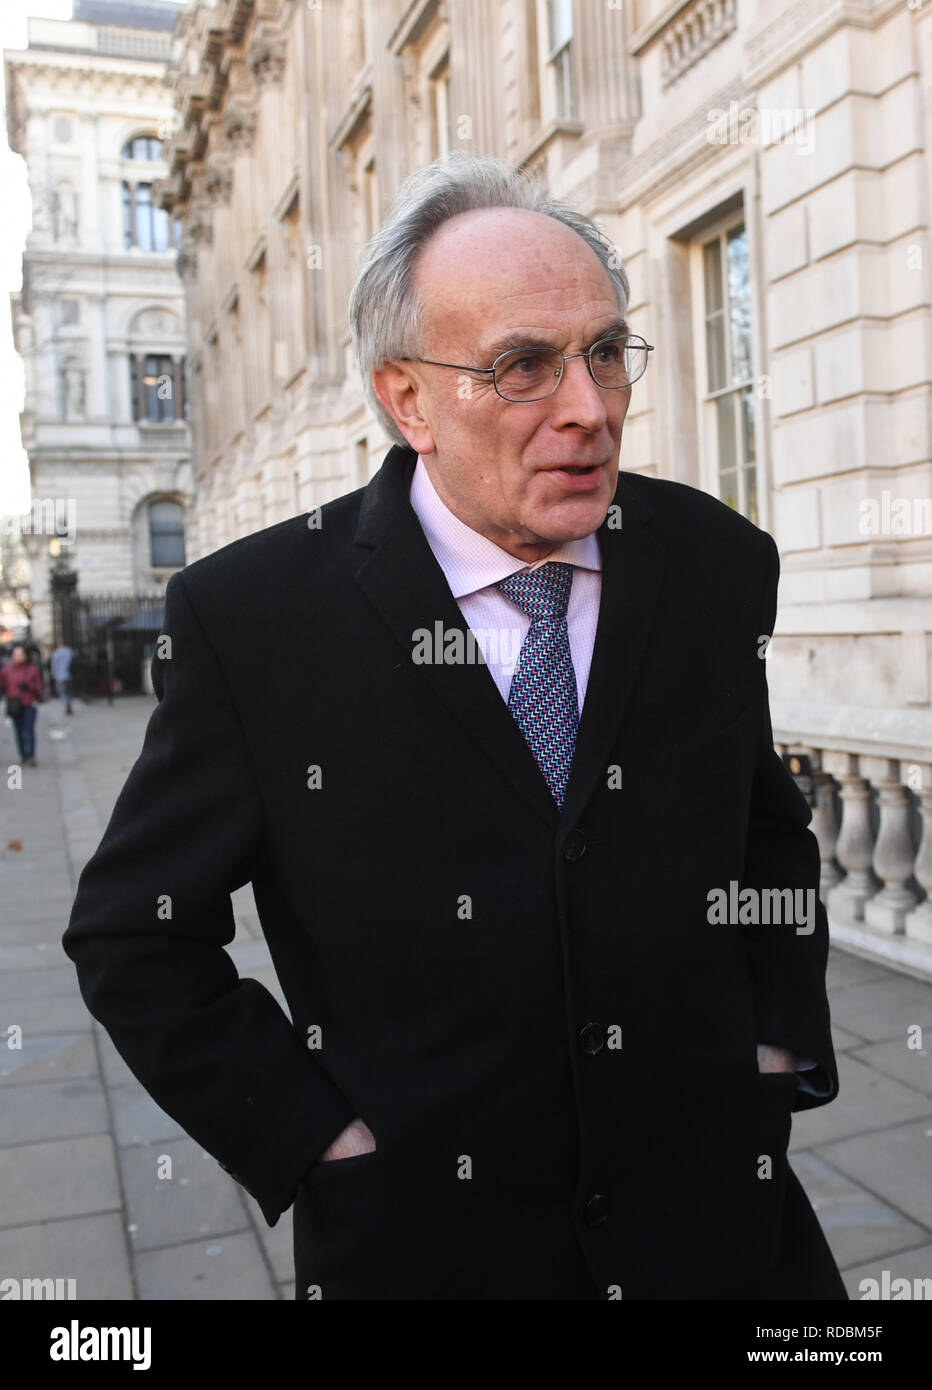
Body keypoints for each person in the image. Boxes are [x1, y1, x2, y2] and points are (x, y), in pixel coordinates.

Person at [62, 153, 845, 1301]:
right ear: (408, 399)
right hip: (426, 1252)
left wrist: (774, 1044)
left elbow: (763, 833)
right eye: (522, 366)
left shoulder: (715, 562)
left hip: (722, 1234)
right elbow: (135, 934)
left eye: (605, 351)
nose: (588, 408)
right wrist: (312, 1140)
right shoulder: (253, 619)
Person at [1, 642, 46, 766]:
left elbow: (39, 687)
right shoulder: (6, 670)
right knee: (19, 731)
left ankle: (31, 755)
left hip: (29, 703)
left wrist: (29, 686)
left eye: (20, 654)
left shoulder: (32, 669)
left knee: (29, 729)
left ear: (25, 656)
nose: (18, 657)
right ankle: (23, 755)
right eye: (16, 655)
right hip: (14, 704)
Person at [50, 642, 76, 714]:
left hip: (60, 676)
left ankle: (66, 703)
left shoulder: (56, 653)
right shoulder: (69, 651)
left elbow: (54, 666)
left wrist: (54, 675)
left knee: (63, 692)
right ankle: (69, 703)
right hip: (69, 675)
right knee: (69, 691)